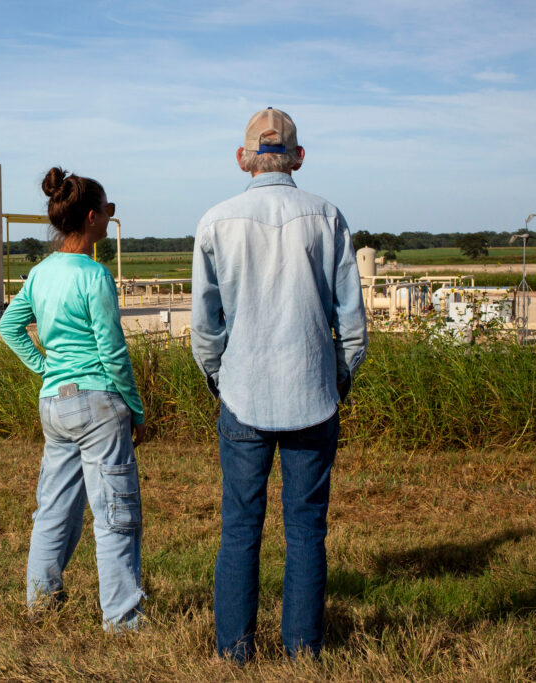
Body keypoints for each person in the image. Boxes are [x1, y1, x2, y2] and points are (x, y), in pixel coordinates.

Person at [190, 108, 367, 662]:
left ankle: (234, 652)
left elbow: (204, 325)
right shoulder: (328, 216)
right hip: (313, 393)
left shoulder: (215, 221)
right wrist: (338, 378)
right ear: (299, 156)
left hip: (242, 394)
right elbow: (353, 323)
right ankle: (303, 653)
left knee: (240, 527)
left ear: (242, 159)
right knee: (307, 528)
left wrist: (219, 378)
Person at [0, 167, 147, 631]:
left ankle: (40, 603)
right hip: (99, 404)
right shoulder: (95, 275)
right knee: (114, 513)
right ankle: (122, 621)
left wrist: (48, 368)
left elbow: (9, 327)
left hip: (54, 406)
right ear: (91, 218)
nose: (108, 217)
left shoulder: (39, 274)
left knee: (55, 508)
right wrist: (137, 410)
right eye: (106, 211)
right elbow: (112, 350)